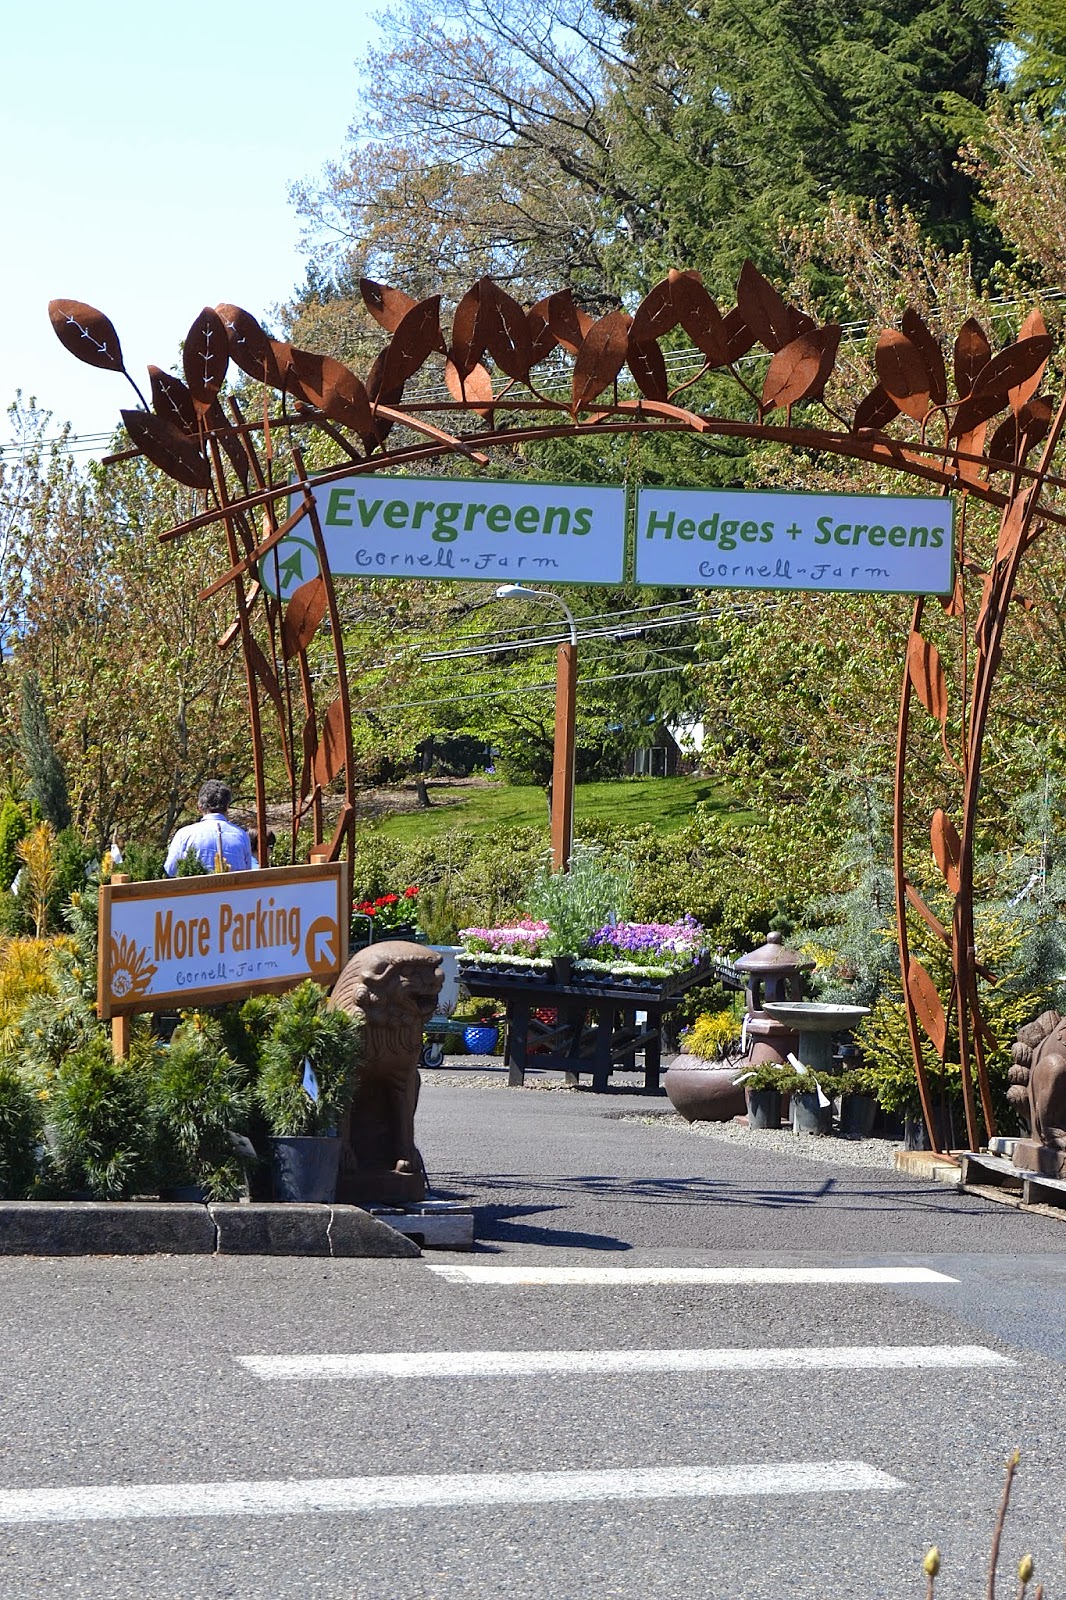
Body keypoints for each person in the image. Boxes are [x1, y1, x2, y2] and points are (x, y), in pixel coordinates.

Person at [164, 780, 252, 876]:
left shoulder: (184, 835)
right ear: (227, 806)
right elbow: (247, 873)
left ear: (199, 807)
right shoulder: (242, 835)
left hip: (196, 889)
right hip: (234, 890)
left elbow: (170, 870)